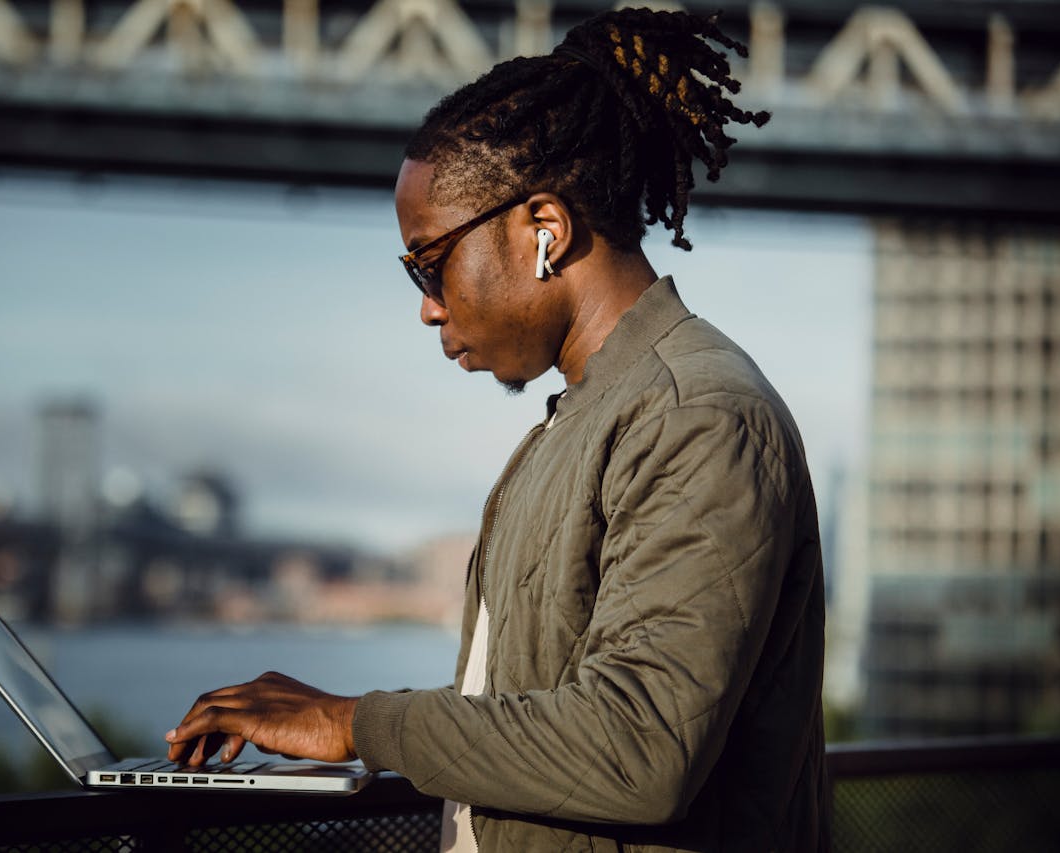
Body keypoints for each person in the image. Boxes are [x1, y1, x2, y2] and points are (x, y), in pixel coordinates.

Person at [164, 7, 829, 851]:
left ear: (544, 230)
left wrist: (355, 723)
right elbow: (527, 711)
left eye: (430, 261)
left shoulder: (697, 417)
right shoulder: (582, 421)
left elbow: (640, 747)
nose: (426, 305)